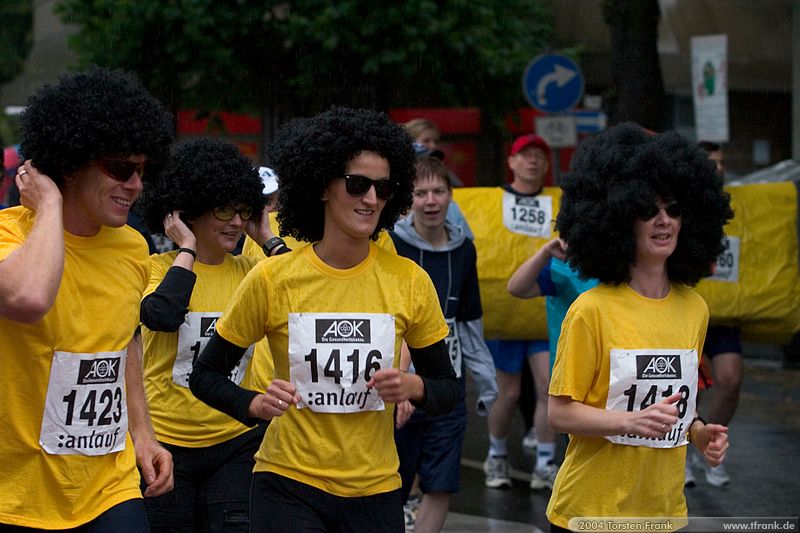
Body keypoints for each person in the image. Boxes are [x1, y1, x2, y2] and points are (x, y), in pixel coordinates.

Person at [189, 106, 459, 532]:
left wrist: (414, 386)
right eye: (357, 184)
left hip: (376, 489)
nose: (371, 199)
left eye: (383, 188)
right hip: (288, 483)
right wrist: (252, 403)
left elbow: (449, 390)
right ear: (322, 187)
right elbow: (205, 374)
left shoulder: (409, 280)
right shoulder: (273, 278)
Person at [0, 67, 174, 530]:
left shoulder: (134, 247)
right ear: (71, 162)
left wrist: (143, 433)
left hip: (106, 486)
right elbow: (29, 297)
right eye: (121, 168)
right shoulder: (8, 238)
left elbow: (125, 339)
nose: (136, 184)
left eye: (143, 170)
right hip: (17, 493)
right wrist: (51, 206)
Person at [546, 123, 732, 531]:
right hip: (591, 512)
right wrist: (627, 422)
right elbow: (559, 413)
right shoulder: (590, 310)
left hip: (664, 512)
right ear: (620, 218)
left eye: (674, 209)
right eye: (648, 210)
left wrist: (698, 434)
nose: (663, 221)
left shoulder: (695, 308)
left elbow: (678, 404)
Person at [136, 138, 278, 531]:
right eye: (222, 209)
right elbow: (162, 315)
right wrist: (187, 248)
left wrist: (266, 237)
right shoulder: (154, 268)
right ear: (189, 211)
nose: (235, 221)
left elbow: (311, 296)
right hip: (167, 446)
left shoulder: (254, 271)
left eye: (242, 210)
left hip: (234, 443)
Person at [391, 156, 497, 533]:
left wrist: (485, 380)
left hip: (447, 385)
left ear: (452, 196)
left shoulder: (464, 249)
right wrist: (397, 378)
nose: (430, 200)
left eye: (438, 191)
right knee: (392, 484)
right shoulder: (390, 245)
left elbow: (469, 322)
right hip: (397, 384)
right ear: (409, 200)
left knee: (441, 484)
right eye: (421, 193)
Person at [483, 133, 558, 490]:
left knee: (549, 387)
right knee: (507, 392)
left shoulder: (559, 203)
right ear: (511, 162)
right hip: (505, 315)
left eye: (539, 156)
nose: (533, 161)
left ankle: (546, 461)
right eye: (524, 155)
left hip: (544, 310)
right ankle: (496, 456)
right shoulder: (489, 204)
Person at [684, 140, 742, 488]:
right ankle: (686, 448)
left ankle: (710, 446)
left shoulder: (740, 207)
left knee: (731, 379)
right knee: (689, 385)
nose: (717, 168)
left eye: (721, 162)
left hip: (726, 312)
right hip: (689, 306)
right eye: (710, 162)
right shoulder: (680, 206)